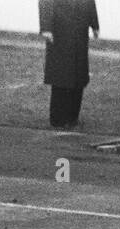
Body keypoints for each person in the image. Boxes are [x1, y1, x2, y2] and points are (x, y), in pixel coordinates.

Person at [39, 0, 99, 131]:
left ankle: (72, 118)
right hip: (60, 31)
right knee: (61, 75)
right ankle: (58, 119)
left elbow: (90, 2)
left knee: (79, 75)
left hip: (80, 32)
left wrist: (95, 24)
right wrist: (46, 28)